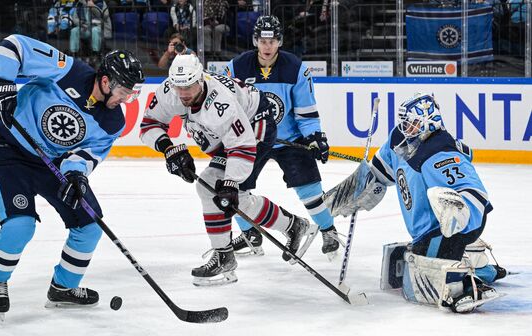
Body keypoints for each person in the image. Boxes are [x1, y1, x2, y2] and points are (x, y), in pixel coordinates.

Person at [0, 34, 144, 318]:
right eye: (124, 92)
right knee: (20, 226)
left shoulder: (113, 121)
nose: (126, 99)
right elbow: (11, 46)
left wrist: (76, 176)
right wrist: (2, 83)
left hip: (53, 164)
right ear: (106, 82)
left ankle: (63, 288)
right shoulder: (68, 70)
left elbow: (88, 154)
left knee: (90, 225)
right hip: (11, 151)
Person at [139, 54, 318, 286]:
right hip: (224, 136)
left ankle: (226, 255)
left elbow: (241, 145)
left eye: (189, 86)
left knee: (220, 189)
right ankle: (293, 226)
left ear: (201, 80)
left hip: (255, 124)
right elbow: (150, 124)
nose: (183, 93)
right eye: (178, 86)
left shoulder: (220, 103)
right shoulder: (168, 91)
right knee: (218, 192)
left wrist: (232, 182)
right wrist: (170, 149)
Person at [343, 93, 506, 313]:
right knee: (417, 258)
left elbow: (473, 192)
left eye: (413, 123)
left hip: (450, 228)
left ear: (430, 122)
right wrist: (352, 192)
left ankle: (470, 285)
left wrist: (459, 219)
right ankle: (483, 267)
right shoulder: (399, 138)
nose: (406, 128)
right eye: (405, 123)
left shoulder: (440, 152)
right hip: (428, 230)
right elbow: (379, 174)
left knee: (423, 270)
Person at [224, 15, 341, 260]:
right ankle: (250, 235)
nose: (267, 46)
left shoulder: (296, 68)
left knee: (310, 189)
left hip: (290, 139)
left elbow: (306, 113)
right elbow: (227, 106)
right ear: (255, 40)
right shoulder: (237, 67)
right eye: (263, 41)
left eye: (273, 40)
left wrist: (314, 137)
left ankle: (329, 231)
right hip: (251, 139)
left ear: (280, 41)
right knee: (232, 186)